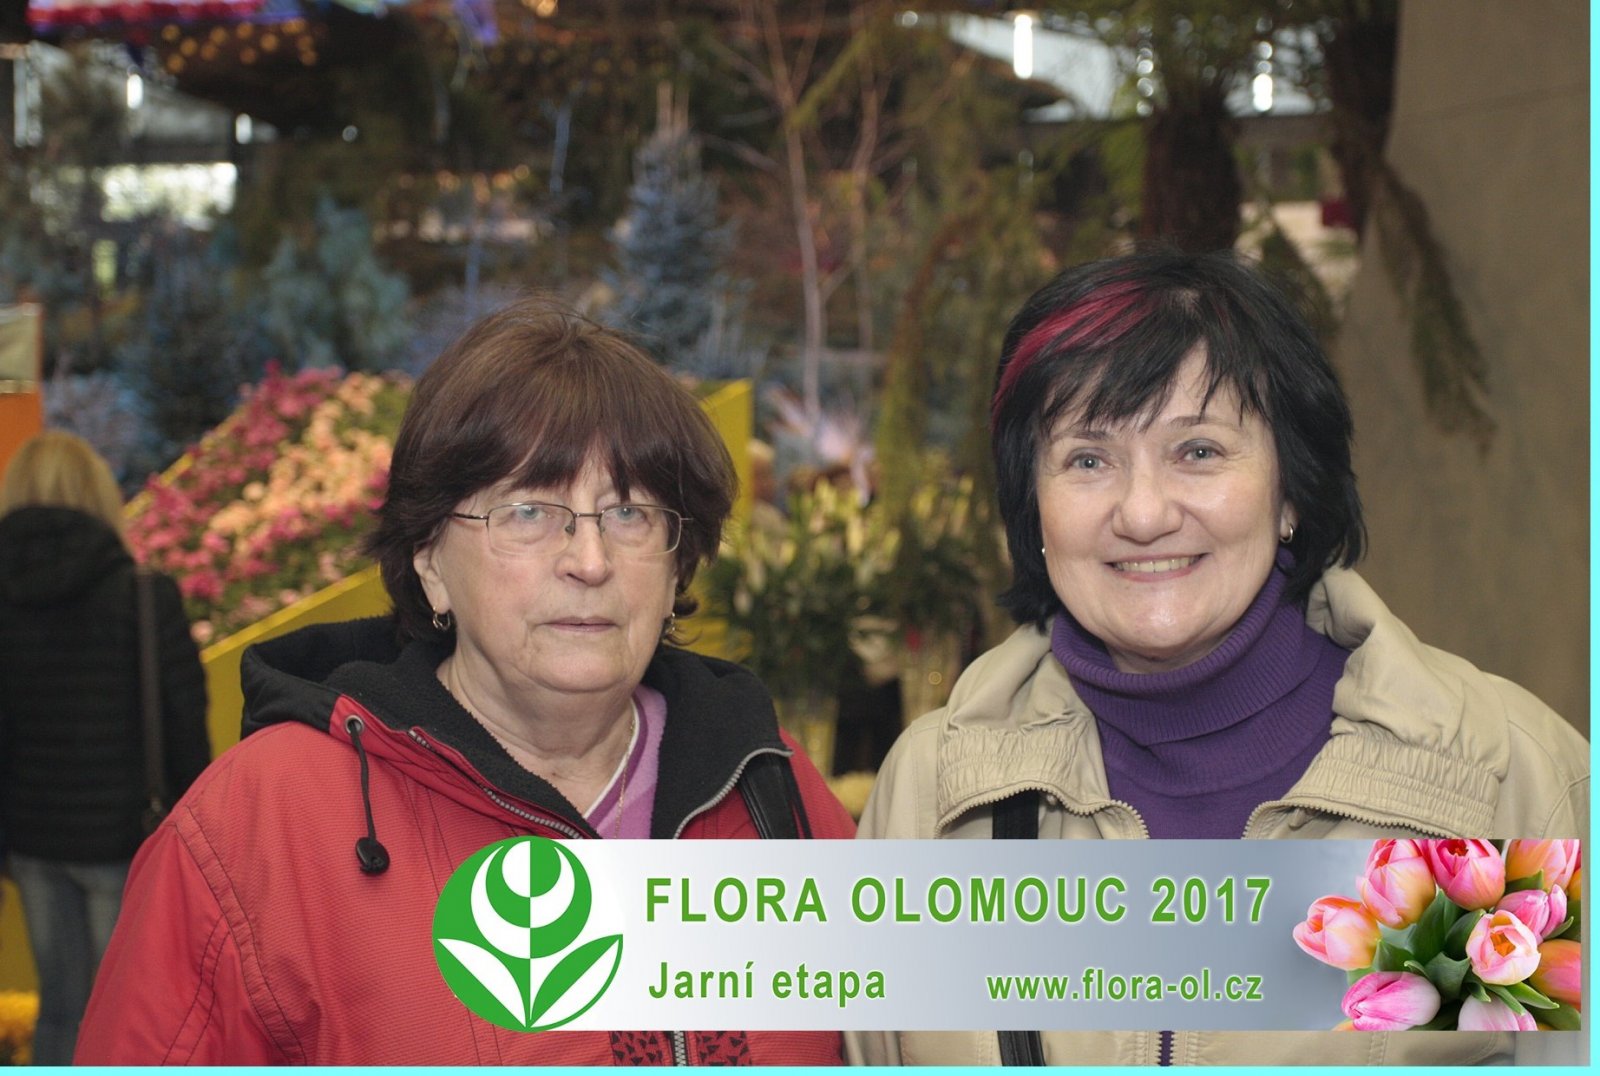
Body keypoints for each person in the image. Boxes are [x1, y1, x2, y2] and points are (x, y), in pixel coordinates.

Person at [847, 249, 1587, 1067]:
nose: (1143, 513)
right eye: (1088, 459)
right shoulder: (937, 798)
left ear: (1292, 488)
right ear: (1034, 508)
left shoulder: (1501, 787)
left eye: (1198, 451)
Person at [75, 299, 855, 1065]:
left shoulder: (769, 784)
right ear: (429, 562)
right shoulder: (260, 825)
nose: (590, 561)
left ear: (678, 560)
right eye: (528, 513)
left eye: (630, 514)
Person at [0, 430, 210, 1065]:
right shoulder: (143, 596)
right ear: (97, 494)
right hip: (127, 841)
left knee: (61, 1007)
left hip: (31, 841)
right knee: (129, 1017)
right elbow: (184, 726)